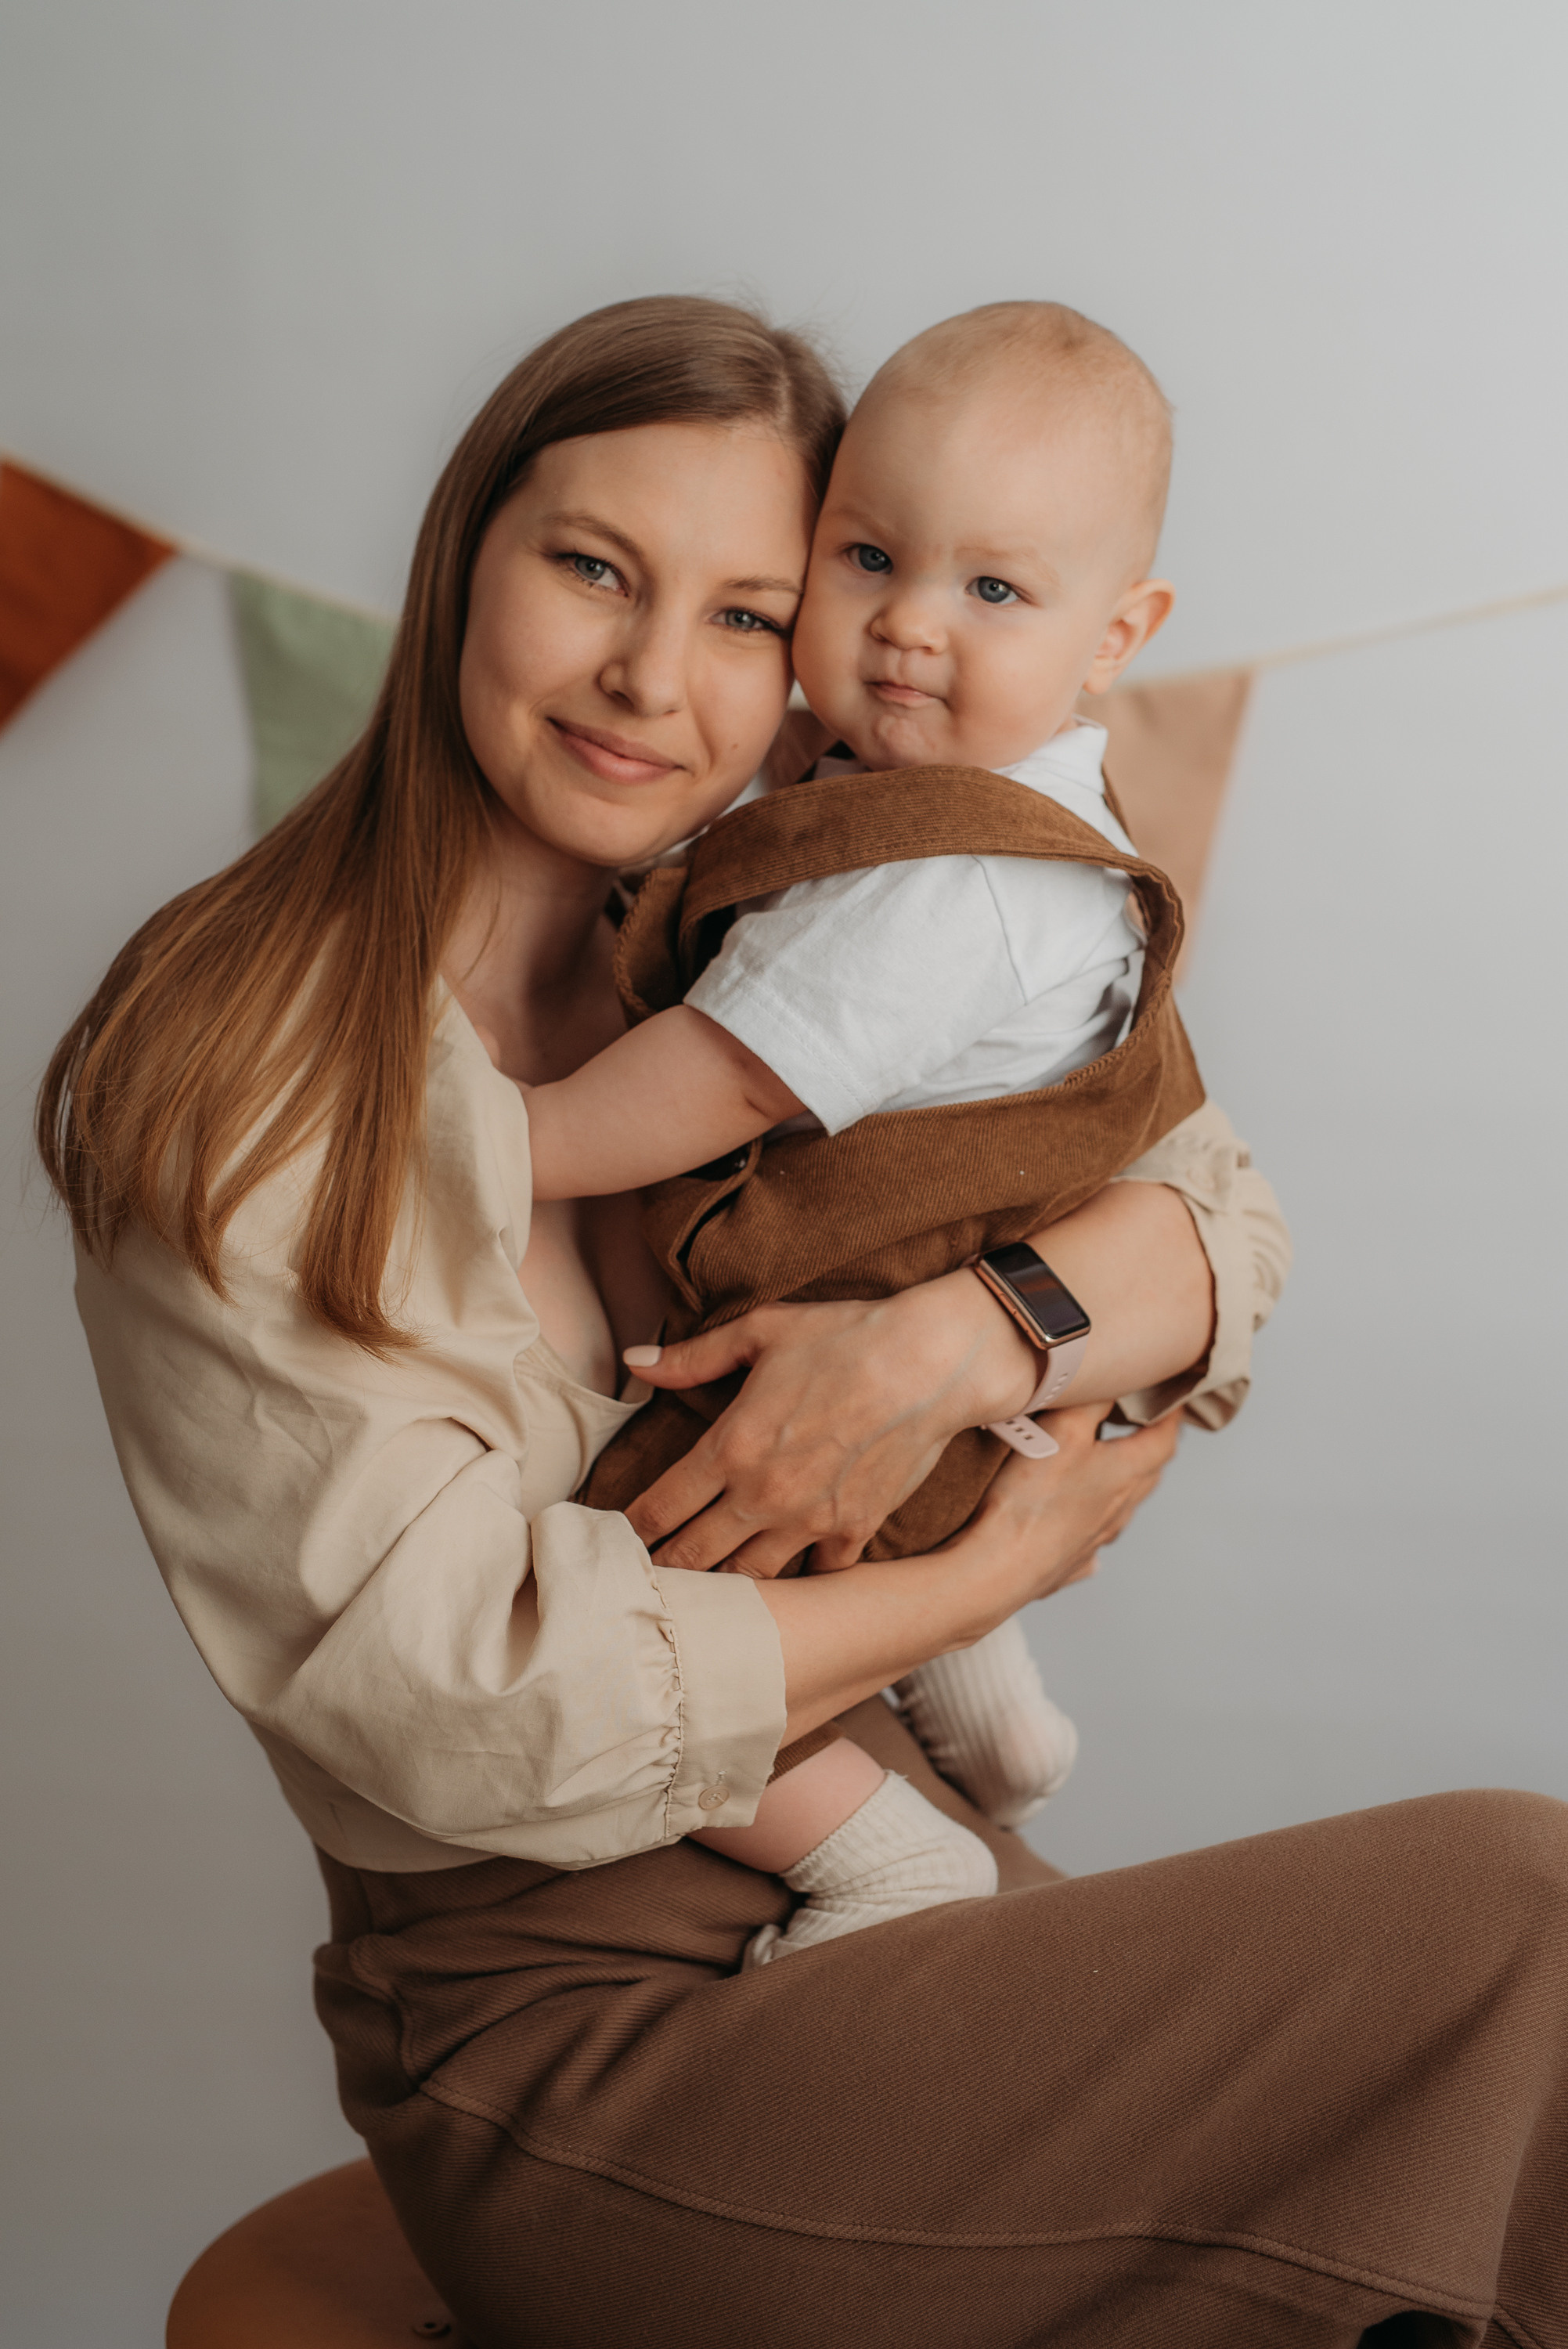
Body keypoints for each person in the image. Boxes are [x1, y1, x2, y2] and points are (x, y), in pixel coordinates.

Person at [35, 298, 1568, 2348]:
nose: (653, 678)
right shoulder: (251, 1070)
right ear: (461, 554)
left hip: (886, 1870)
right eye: (592, 567)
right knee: (1515, 1919)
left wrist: (975, 1333)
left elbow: (1211, 1196)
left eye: (749, 612)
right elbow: (461, 1699)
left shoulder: (776, 909)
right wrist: (988, 1575)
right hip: (587, 2039)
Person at [519, 300, 1194, 1963]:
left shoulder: (953, 877)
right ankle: (989, 1692)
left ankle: (883, 1852)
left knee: (638, 1600)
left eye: (994, 590)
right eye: (867, 559)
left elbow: (728, 1076)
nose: (907, 630)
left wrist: (503, 1138)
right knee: (865, 1545)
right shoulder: (996, 805)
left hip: (833, 1343)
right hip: (966, 1415)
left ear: (1118, 633)